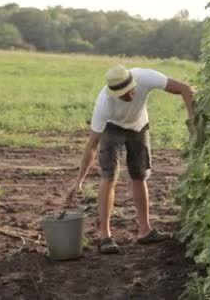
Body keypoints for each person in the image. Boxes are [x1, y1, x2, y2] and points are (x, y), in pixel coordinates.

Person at [65, 65, 195, 254]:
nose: (128, 96)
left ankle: (145, 230)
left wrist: (192, 120)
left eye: (129, 91)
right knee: (109, 177)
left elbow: (185, 89)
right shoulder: (104, 104)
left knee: (139, 175)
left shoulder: (145, 77)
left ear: (134, 83)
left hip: (139, 126)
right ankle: (105, 237)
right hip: (112, 128)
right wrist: (79, 182)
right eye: (122, 95)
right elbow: (92, 145)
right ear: (113, 93)